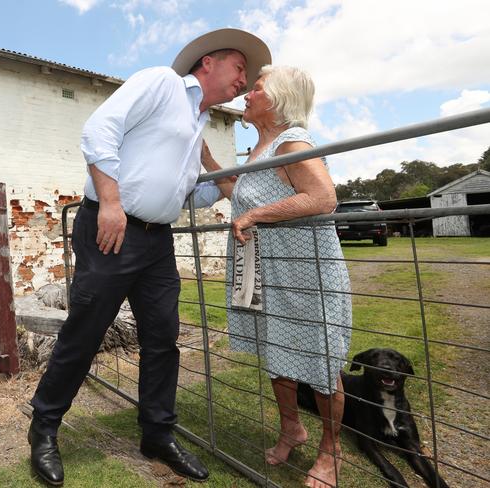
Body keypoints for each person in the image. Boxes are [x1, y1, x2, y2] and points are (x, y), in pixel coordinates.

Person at [28, 29, 271, 486]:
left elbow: (187, 195)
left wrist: (214, 168)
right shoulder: (162, 82)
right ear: (208, 64)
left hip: (157, 241)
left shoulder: (199, 122)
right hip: (111, 226)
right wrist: (112, 203)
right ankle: (44, 428)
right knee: (85, 333)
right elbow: (99, 129)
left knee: (163, 338)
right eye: (240, 69)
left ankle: (157, 433)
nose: (244, 80)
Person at [202, 65, 352, 488]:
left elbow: (323, 198)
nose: (247, 94)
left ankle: (331, 451)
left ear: (280, 98)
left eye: (257, 88)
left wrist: (256, 214)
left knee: (321, 361)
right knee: (278, 352)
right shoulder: (260, 148)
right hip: (270, 272)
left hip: (306, 272)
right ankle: (292, 429)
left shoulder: (293, 140)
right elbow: (240, 194)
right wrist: (206, 157)